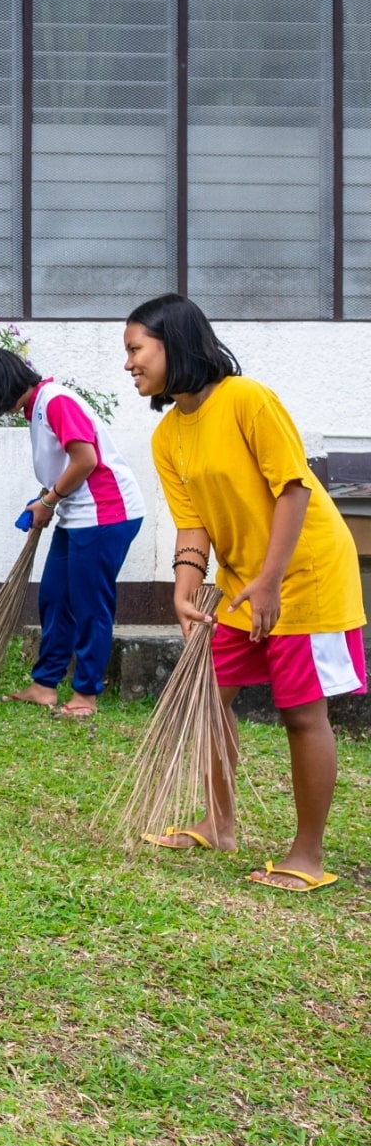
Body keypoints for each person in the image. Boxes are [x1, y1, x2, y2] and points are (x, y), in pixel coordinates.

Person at [124, 293, 365, 893]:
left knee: (302, 714)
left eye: (135, 350)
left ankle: (307, 854)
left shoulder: (247, 399)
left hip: (305, 574)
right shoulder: (168, 435)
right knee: (213, 696)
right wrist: (185, 588)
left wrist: (270, 580)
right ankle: (219, 823)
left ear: (174, 345)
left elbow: (293, 489)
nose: (128, 364)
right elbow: (192, 522)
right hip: (239, 583)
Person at [0, 346, 147, 719]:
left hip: (106, 514)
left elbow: (87, 460)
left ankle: (86, 695)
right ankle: (44, 685)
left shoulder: (56, 401)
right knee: (55, 598)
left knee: (89, 605)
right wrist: (44, 501)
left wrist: (49, 502)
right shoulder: (39, 407)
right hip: (79, 513)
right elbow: (66, 466)